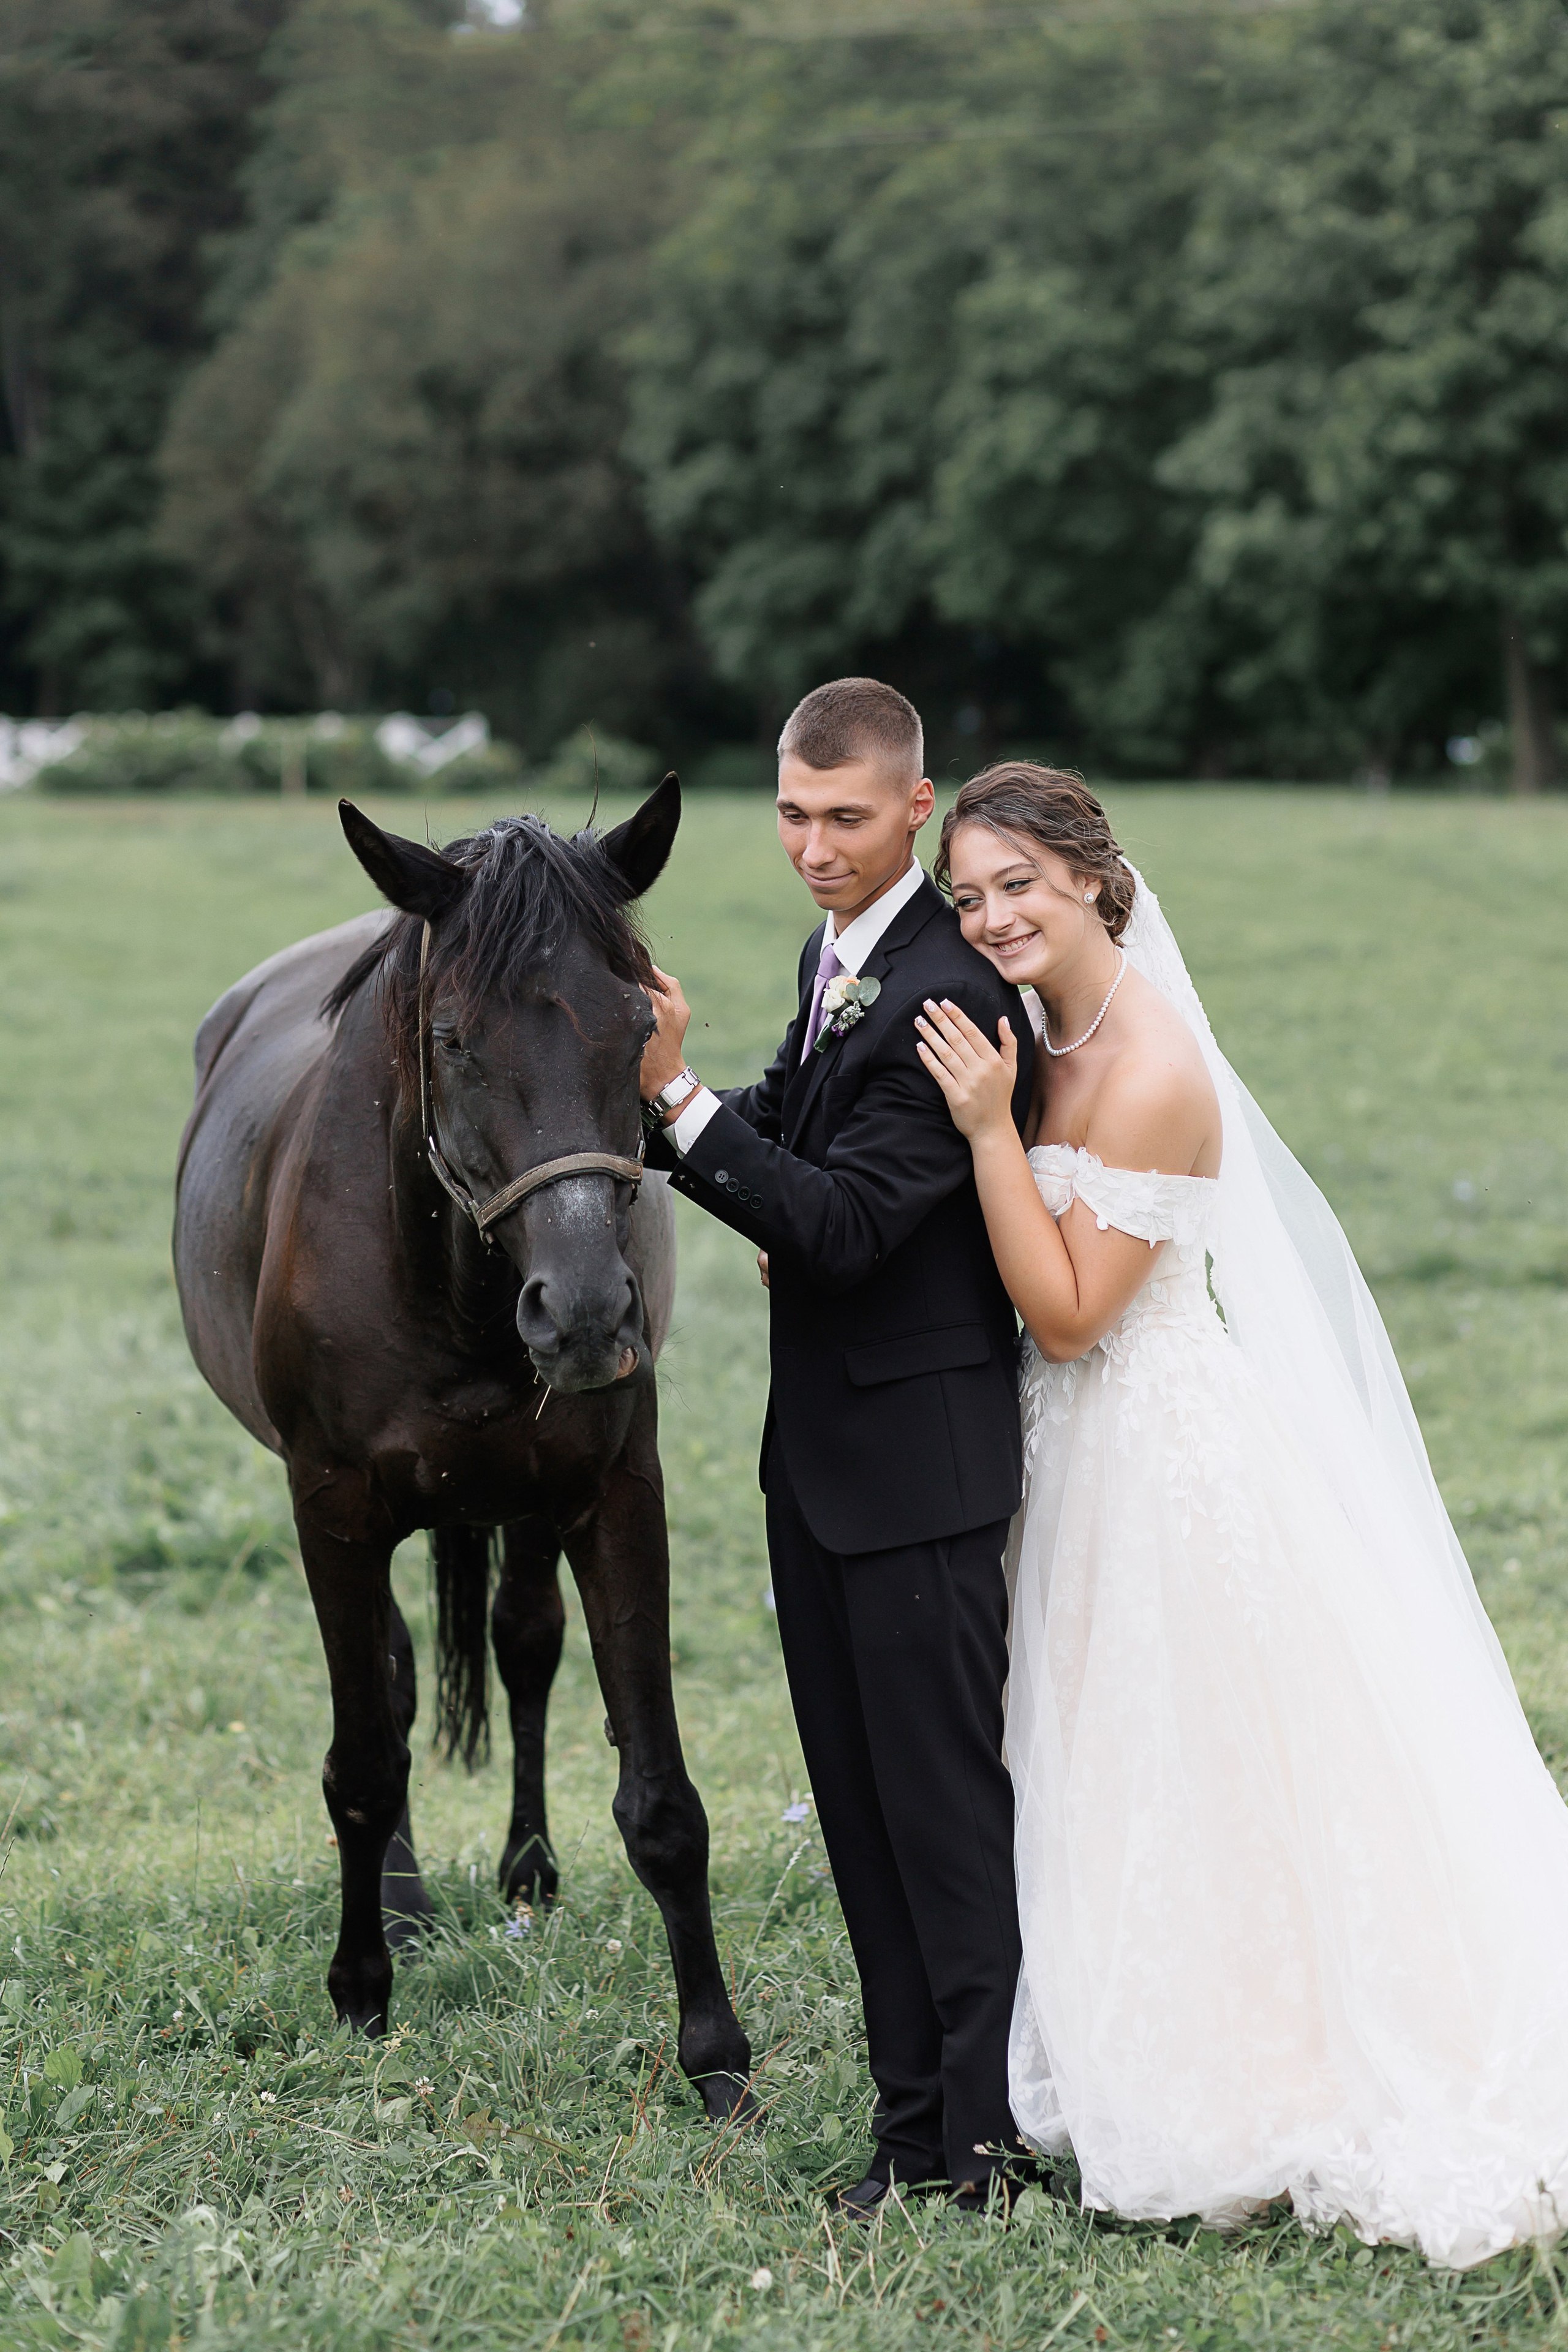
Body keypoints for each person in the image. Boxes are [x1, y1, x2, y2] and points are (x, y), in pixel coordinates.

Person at [914, 759, 1568, 2269]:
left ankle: (1258, 2069)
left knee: (1193, 1751)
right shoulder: (1032, 1026)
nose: (993, 916)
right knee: (1097, 1750)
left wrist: (992, 1134)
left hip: (1152, 1449)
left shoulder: (1146, 1068)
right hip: (1058, 1452)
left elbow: (1074, 1316)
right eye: (968, 895)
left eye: (1019, 884)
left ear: (1090, 876)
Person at [638, 679, 1033, 2214]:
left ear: (913, 810)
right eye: (793, 815)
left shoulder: (950, 993)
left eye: (846, 818)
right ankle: (905, 2137)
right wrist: (639, 1129)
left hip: (919, 1473)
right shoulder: (834, 957)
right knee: (858, 1821)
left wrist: (672, 1097)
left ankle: (978, 2156)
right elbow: (791, 1128)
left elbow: (853, 1225)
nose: (812, 847)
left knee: (940, 1828)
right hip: (818, 1469)